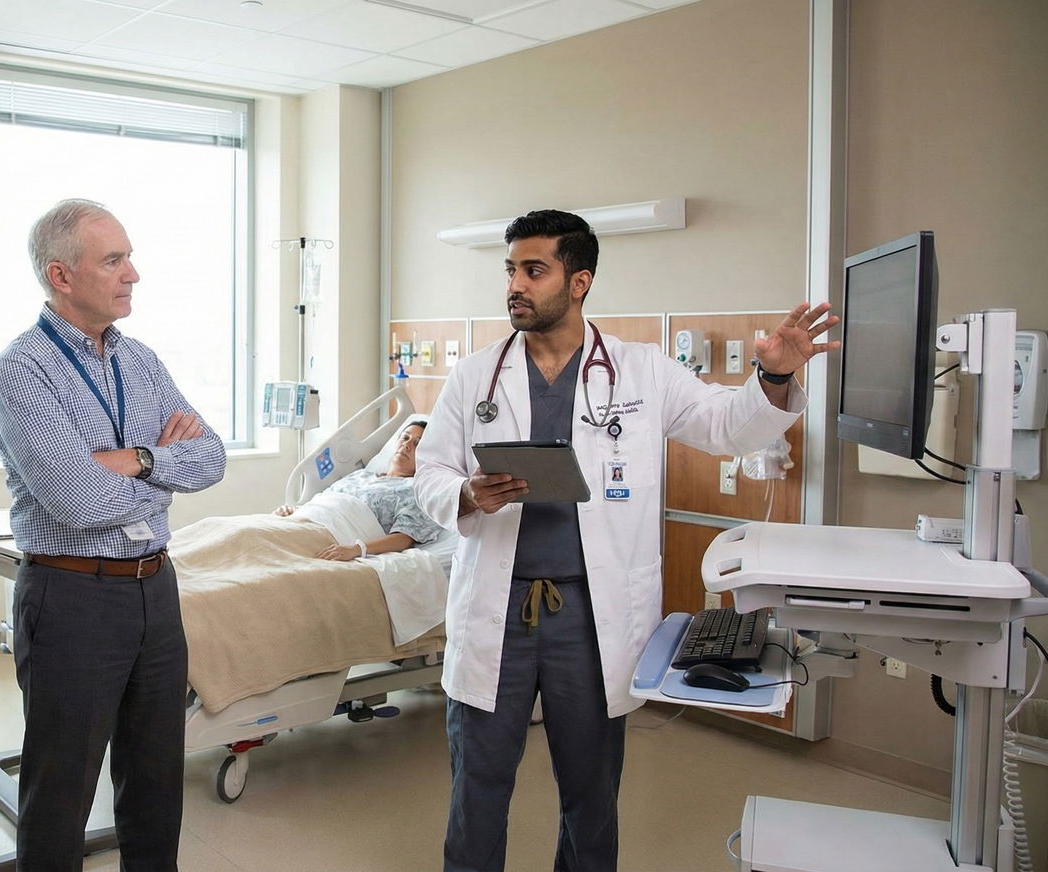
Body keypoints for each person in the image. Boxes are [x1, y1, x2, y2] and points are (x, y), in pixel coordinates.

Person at [413, 209, 837, 872]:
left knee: (591, 793)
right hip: (498, 614)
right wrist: (465, 493)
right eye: (510, 270)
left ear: (578, 281)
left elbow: (727, 426)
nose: (515, 285)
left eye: (533, 269)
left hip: (590, 615)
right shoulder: (475, 377)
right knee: (479, 787)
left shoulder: (641, 372)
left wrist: (774, 377)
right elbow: (429, 470)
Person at [0, 198, 227, 871]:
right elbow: (78, 498)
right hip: (72, 596)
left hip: (155, 588)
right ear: (62, 276)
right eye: (114, 260)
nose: (134, 274)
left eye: (129, 257)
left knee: (156, 779)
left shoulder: (142, 362)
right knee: (61, 787)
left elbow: (210, 457)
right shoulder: (23, 370)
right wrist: (154, 464)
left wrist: (141, 457)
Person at [275, 421, 446, 561]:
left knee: (260, 545)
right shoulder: (361, 475)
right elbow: (325, 502)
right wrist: (295, 511)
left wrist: (357, 549)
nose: (407, 445)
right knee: (255, 537)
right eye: (405, 438)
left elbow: (404, 538)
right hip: (305, 520)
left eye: (417, 444)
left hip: (332, 534)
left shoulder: (415, 490)